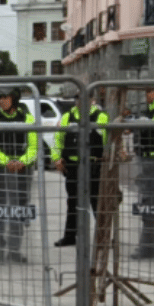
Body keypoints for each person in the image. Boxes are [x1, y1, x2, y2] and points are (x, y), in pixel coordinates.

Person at [0, 88, 38, 263]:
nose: (1, 101)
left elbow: (33, 147)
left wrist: (22, 161)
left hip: (22, 171)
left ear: (14, 99)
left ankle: (14, 250)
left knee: (18, 210)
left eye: (5, 97)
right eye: (0, 97)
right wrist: (6, 161)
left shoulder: (28, 119)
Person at [51, 94, 108, 247]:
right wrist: (56, 158)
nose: (81, 102)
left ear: (92, 100)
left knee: (97, 203)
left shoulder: (100, 117)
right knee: (73, 202)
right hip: (73, 167)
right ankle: (70, 237)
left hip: (94, 166)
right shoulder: (67, 117)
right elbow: (58, 139)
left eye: (85, 98)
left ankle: (102, 239)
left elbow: (108, 140)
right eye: (78, 99)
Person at [131, 85, 154, 259]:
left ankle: (148, 246)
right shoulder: (152, 109)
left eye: (149, 91)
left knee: (150, 204)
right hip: (151, 161)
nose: (146, 95)